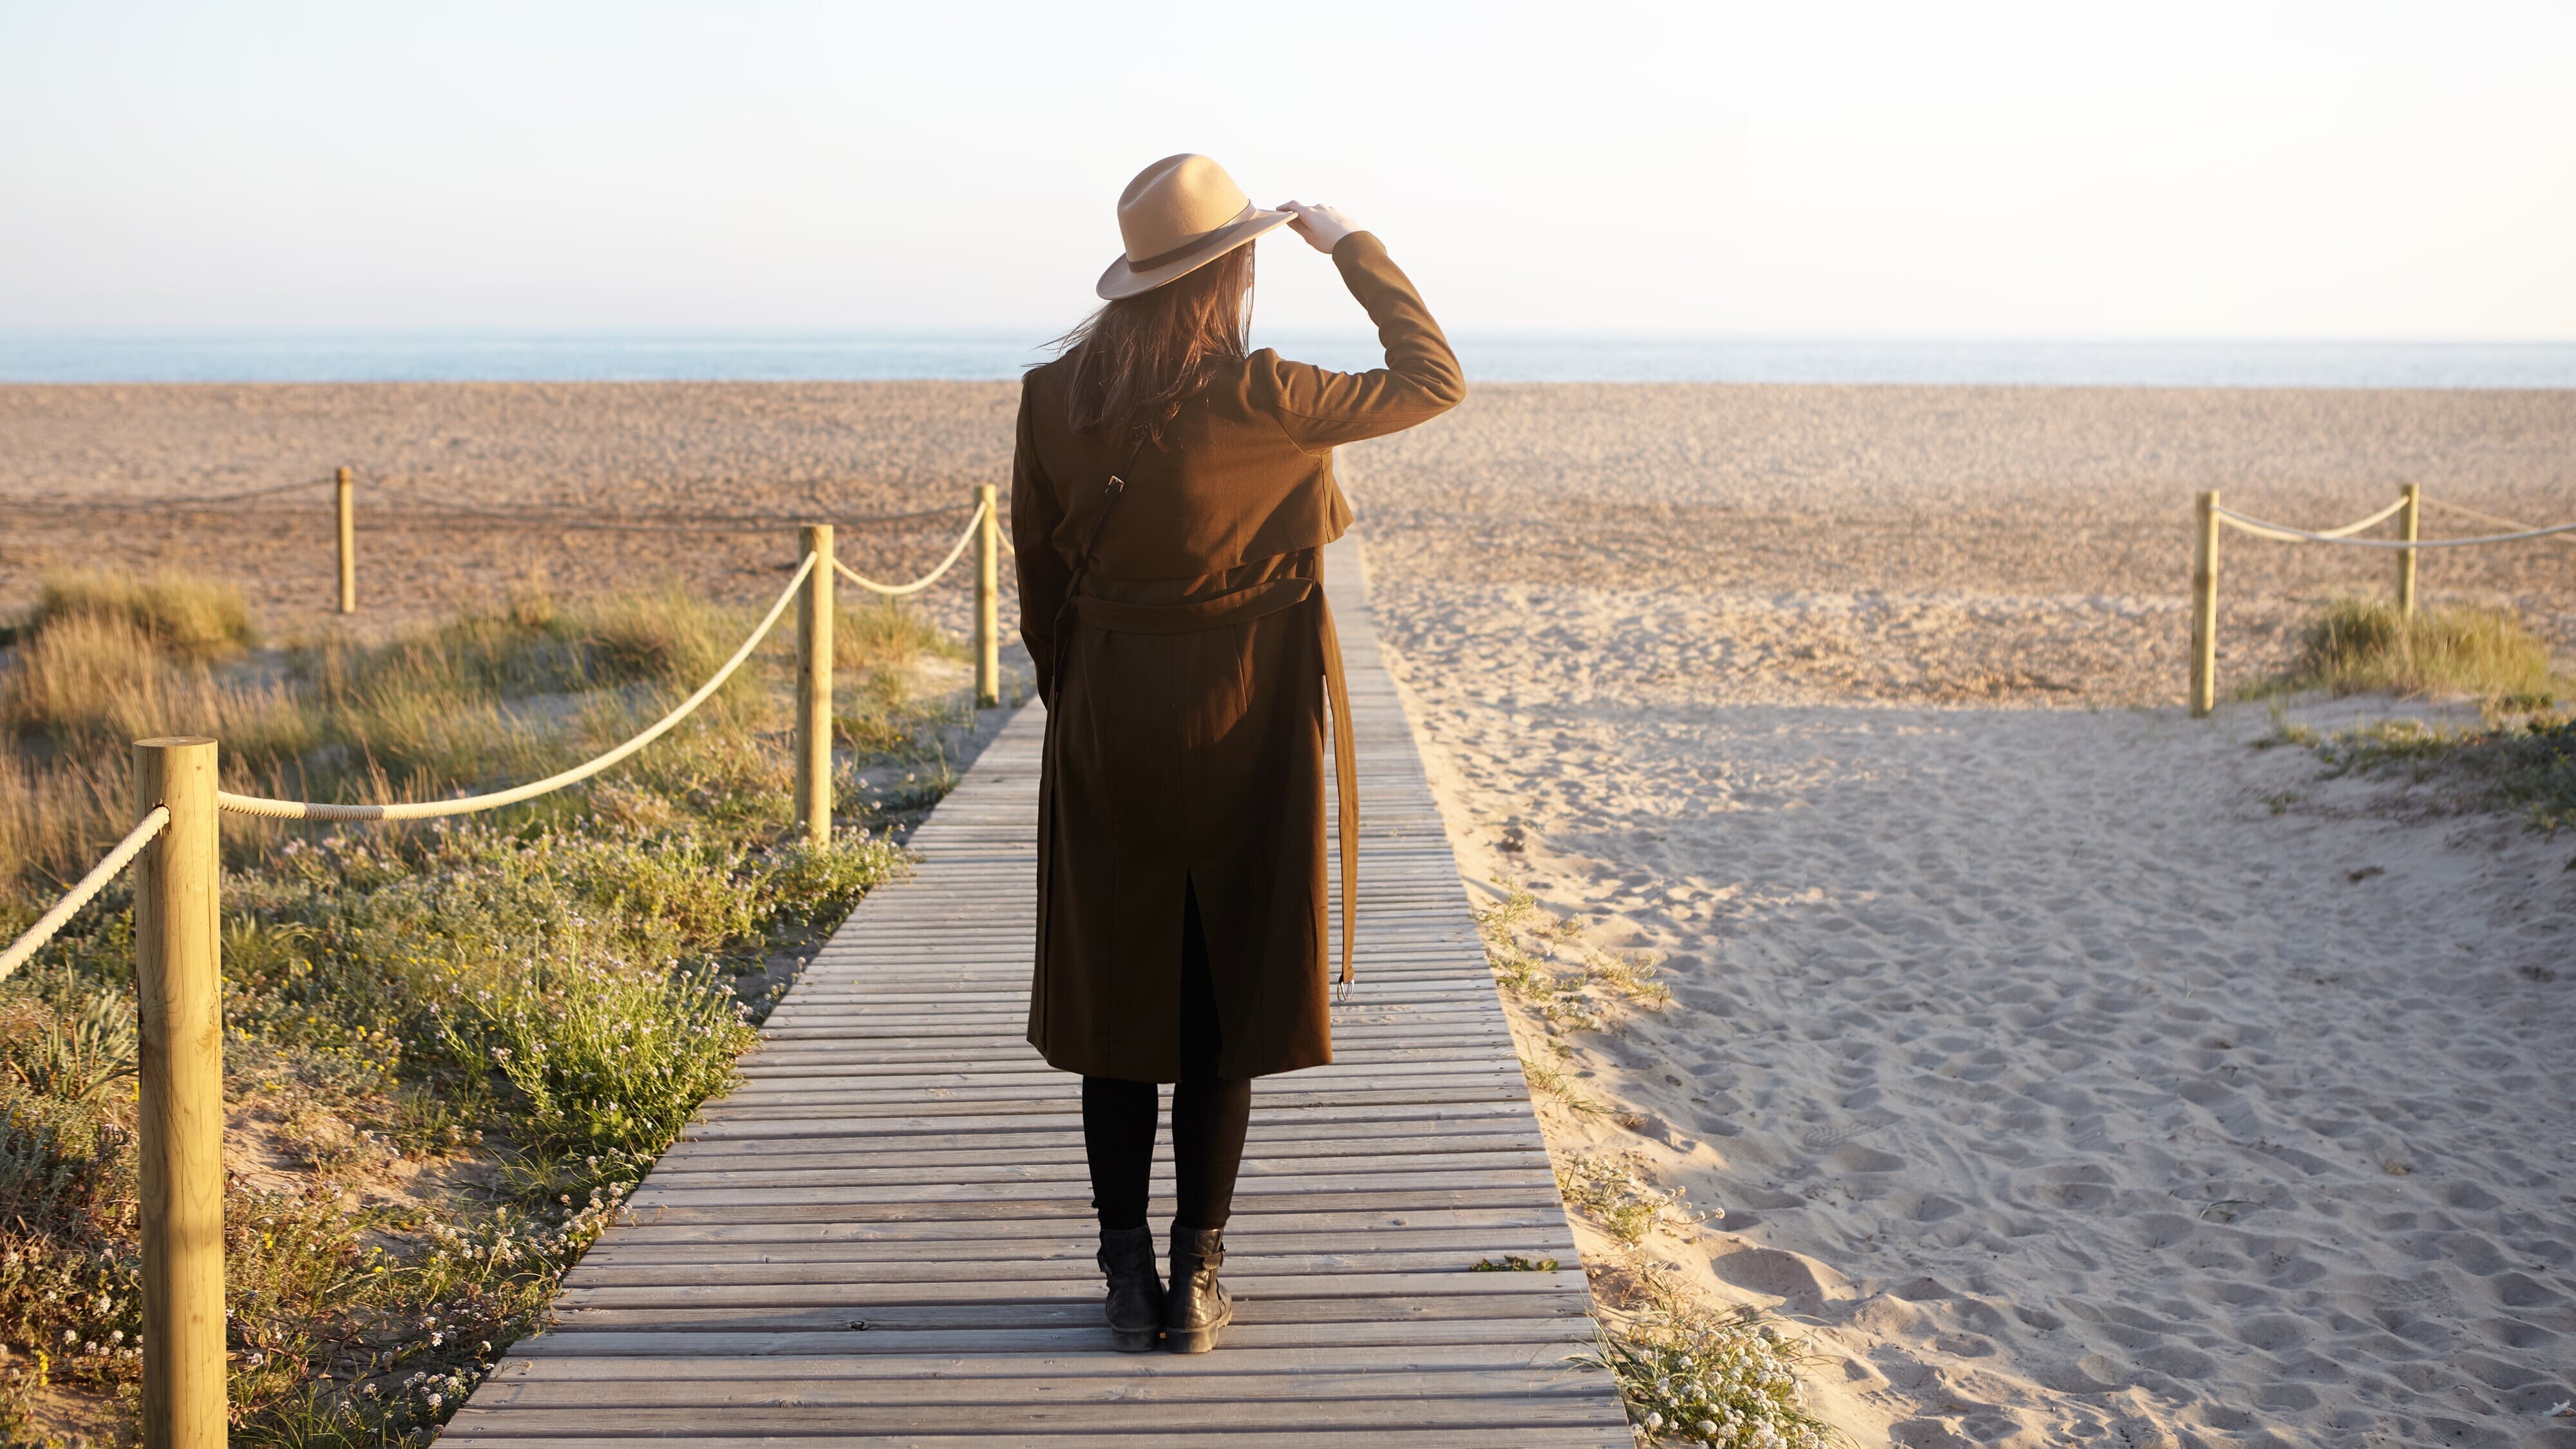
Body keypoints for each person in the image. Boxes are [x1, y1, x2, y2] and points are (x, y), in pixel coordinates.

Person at [1012, 153, 1463, 1354]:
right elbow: (1434, 376)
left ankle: (1123, 1272)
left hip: (1111, 712)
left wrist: (1092, 698)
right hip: (1248, 712)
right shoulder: (1268, 393)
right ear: (1232, 273)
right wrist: (1353, 242)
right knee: (1220, 995)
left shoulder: (1055, 393)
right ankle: (1198, 1276)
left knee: (1118, 998)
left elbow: (1039, 590)